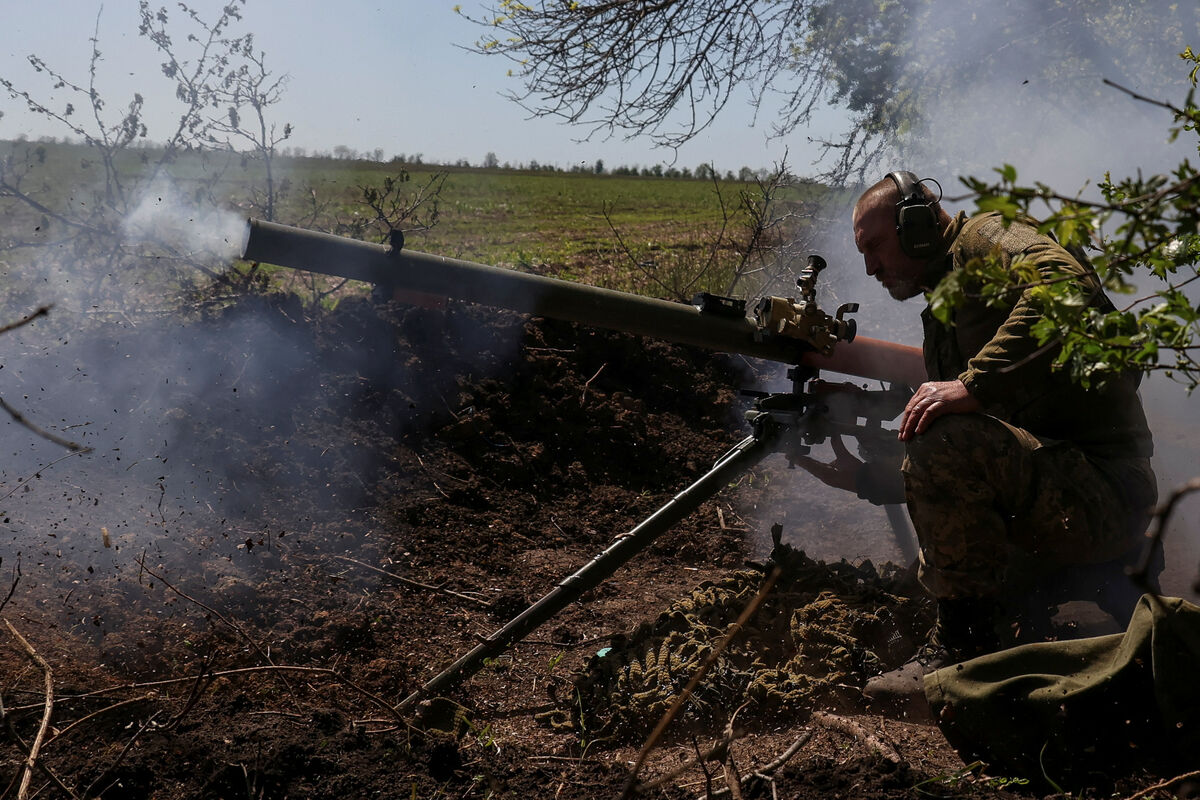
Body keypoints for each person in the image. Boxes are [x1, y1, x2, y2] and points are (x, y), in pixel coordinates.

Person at [807, 171, 1158, 715]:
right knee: (921, 591)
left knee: (945, 441)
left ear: (917, 226)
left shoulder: (986, 238)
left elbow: (1066, 287)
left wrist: (973, 384)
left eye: (876, 245)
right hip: (1061, 493)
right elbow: (971, 472)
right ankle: (1030, 608)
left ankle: (964, 655)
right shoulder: (947, 302)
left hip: (1104, 493)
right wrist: (865, 475)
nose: (871, 266)